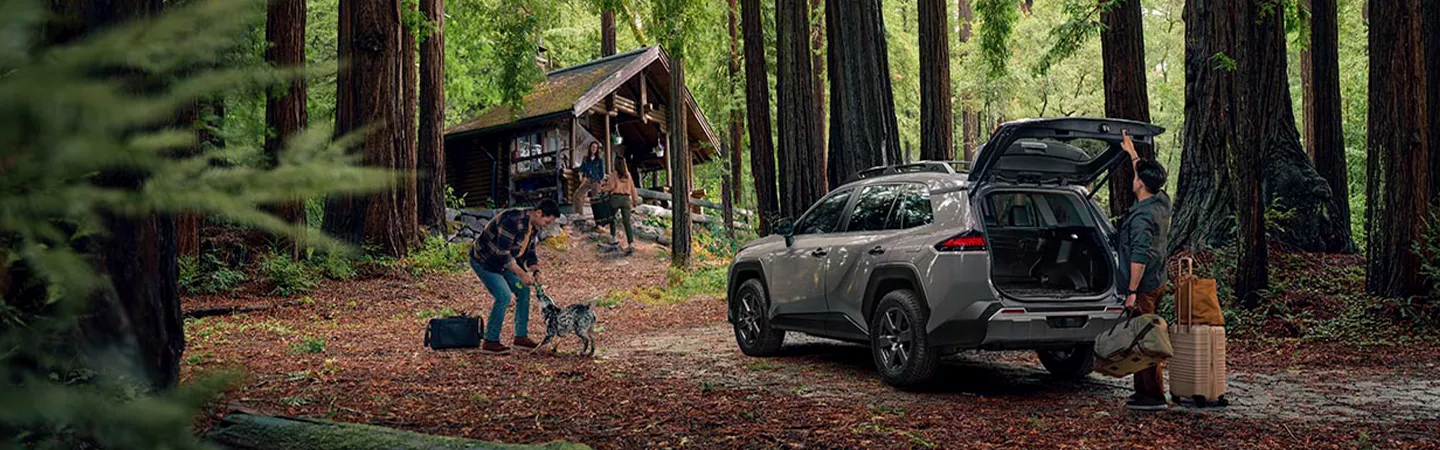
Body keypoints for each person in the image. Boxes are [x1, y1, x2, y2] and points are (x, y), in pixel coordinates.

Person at [1115, 130, 1173, 411]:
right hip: (1159, 279)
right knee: (1148, 333)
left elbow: (1139, 257)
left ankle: (1151, 395)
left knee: (1145, 338)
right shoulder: (1161, 202)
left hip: (1145, 284)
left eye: (1136, 176)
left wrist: (1132, 292)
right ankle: (1148, 391)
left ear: (1140, 185)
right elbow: (1149, 176)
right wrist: (1132, 153)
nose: (1133, 179)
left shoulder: (1141, 217)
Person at [469, 199, 562, 354]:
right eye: (548, 220)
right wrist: (522, 273)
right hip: (485, 261)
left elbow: (530, 253)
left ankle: (521, 337)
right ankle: (490, 341)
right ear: (539, 213)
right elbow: (502, 254)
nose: (547, 224)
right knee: (503, 296)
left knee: (524, 291)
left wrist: (536, 271)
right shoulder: (511, 220)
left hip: (506, 262)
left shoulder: (533, 226)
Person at [601, 155, 641, 254]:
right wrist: (635, 200)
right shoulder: (628, 175)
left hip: (615, 199)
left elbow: (610, 187)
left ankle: (613, 237)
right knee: (627, 222)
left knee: (612, 218)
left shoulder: (614, 174)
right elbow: (633, 189)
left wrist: (602, 188)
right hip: (626, 200)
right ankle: (631, 243)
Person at [572, 141, 606, 215]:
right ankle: (579, 214)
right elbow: (581, 169)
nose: (594, 149)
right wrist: (581, 176)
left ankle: (599, 217)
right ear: (590, 147)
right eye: (593, 147)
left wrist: (599, 181)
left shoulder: (599, 160)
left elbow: (602, 173)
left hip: (596, 180)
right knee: (577, 196)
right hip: (588, 179)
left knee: (596, 200)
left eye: (596, 148)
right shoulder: (585, 158)